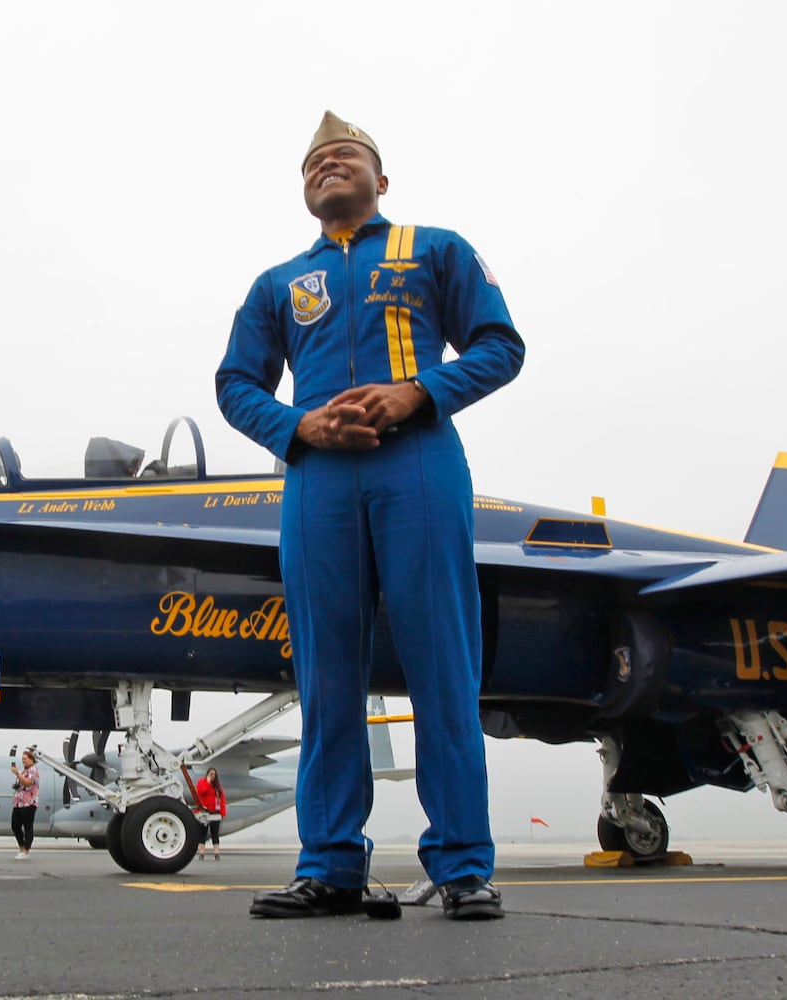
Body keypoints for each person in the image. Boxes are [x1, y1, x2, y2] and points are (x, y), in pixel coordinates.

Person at [216, 111, 524, 921]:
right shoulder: (278, 283)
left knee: (442, 665)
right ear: (303, 189)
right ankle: (329, 867)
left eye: (345, 156)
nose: (328, 166)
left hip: (417, 466)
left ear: (381, 180)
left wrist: (420, 390)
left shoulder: (434, 248)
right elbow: (235, 384)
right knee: (324, 675)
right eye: (314, 162)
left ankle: (462, 866)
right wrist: (296, 426)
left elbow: (500, 344)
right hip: (317, 480)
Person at [9, 749, 39, 859]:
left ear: (32, 760)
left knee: (28, 827)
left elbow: (27, 782)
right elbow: (21, 783)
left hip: (29, 803)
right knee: (15, 825)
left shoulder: (33, 771)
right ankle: (21, 847)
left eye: (25, 759)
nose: (23, 761)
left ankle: (26, 850)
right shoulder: (23, 771)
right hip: (18, 803)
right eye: (22, 759)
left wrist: (17, 773)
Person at [195, 766, 227, 861]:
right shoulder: (202, 782)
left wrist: (222, 812)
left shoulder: (218, 786)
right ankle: (201, 853)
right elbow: (202, 792)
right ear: (207, 774)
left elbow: (222, 799)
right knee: (202, 834)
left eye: (214, 775)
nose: (212, 776)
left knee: (215, 834)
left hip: (215, 813)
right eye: (211, 774)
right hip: (204, 813)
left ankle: (216, 853)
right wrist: (208, 782)